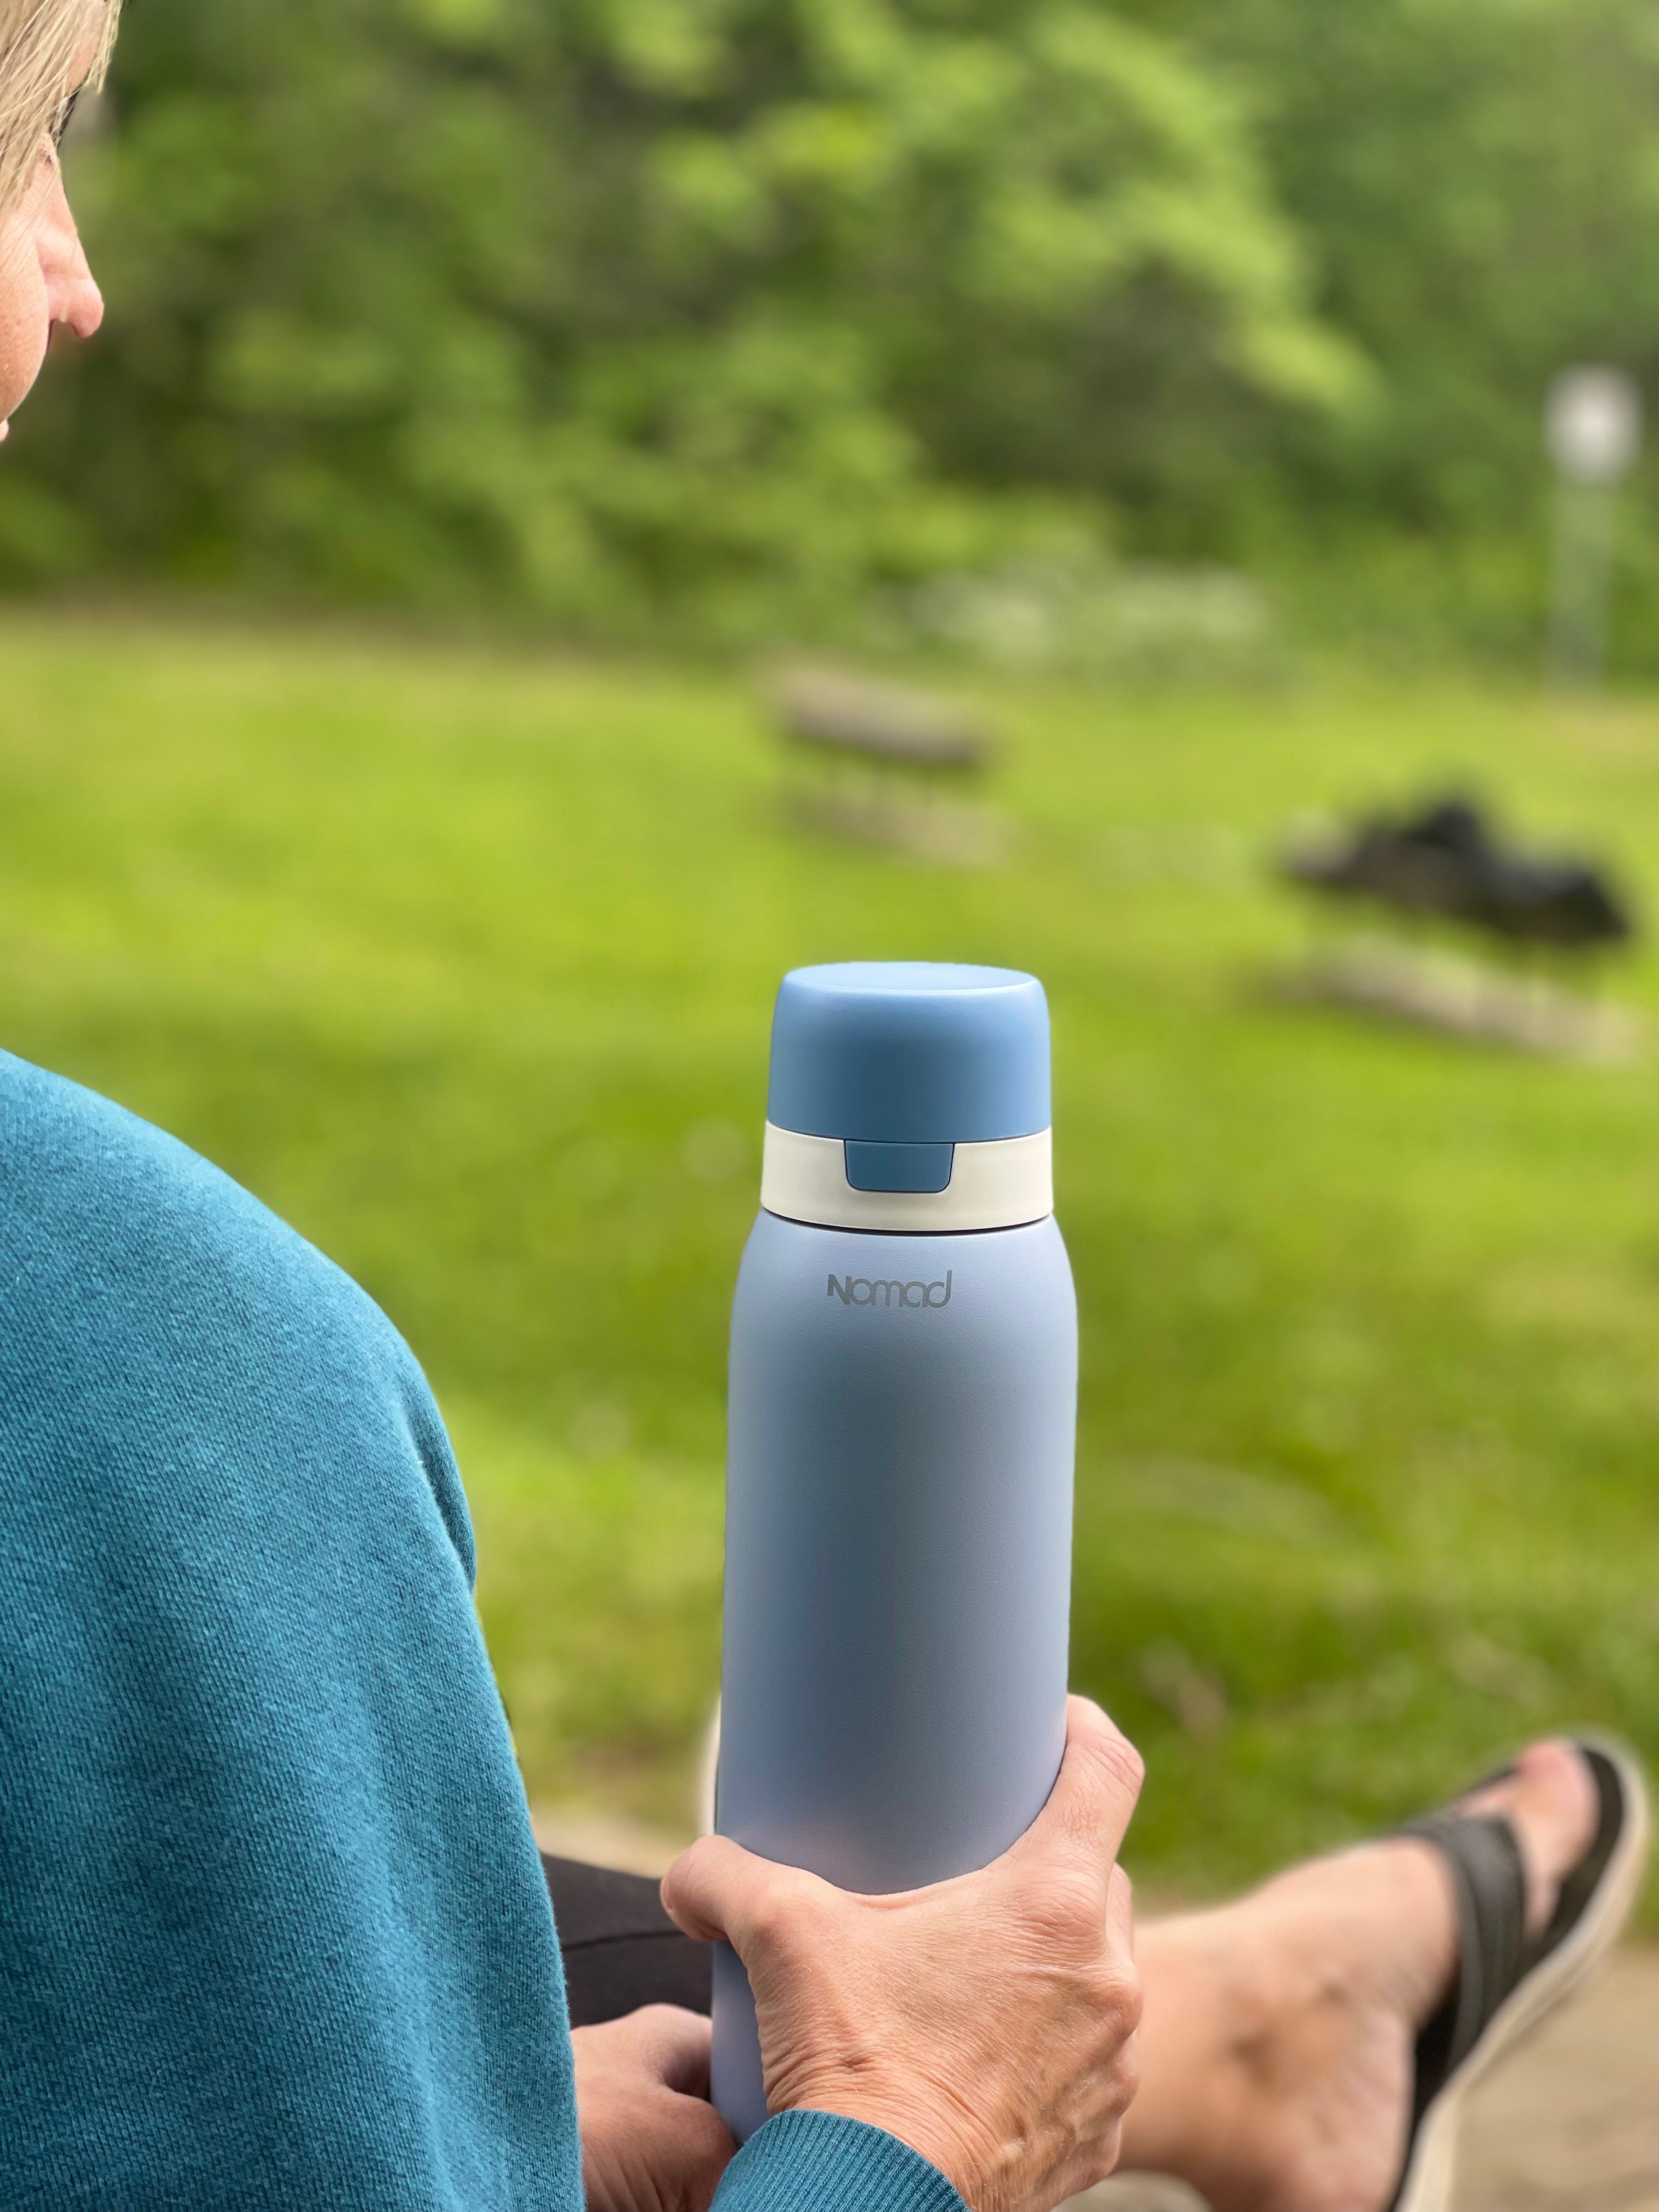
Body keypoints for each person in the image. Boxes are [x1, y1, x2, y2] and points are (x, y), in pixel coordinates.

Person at [0, 10, 1646, 2212]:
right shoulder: (159, 1401)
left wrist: (456, 2139)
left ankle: (1262, 2025)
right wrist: (913, 2147)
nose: (82, 273)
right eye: (33, 146)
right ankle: (1264, 2027)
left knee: (570, 1945)